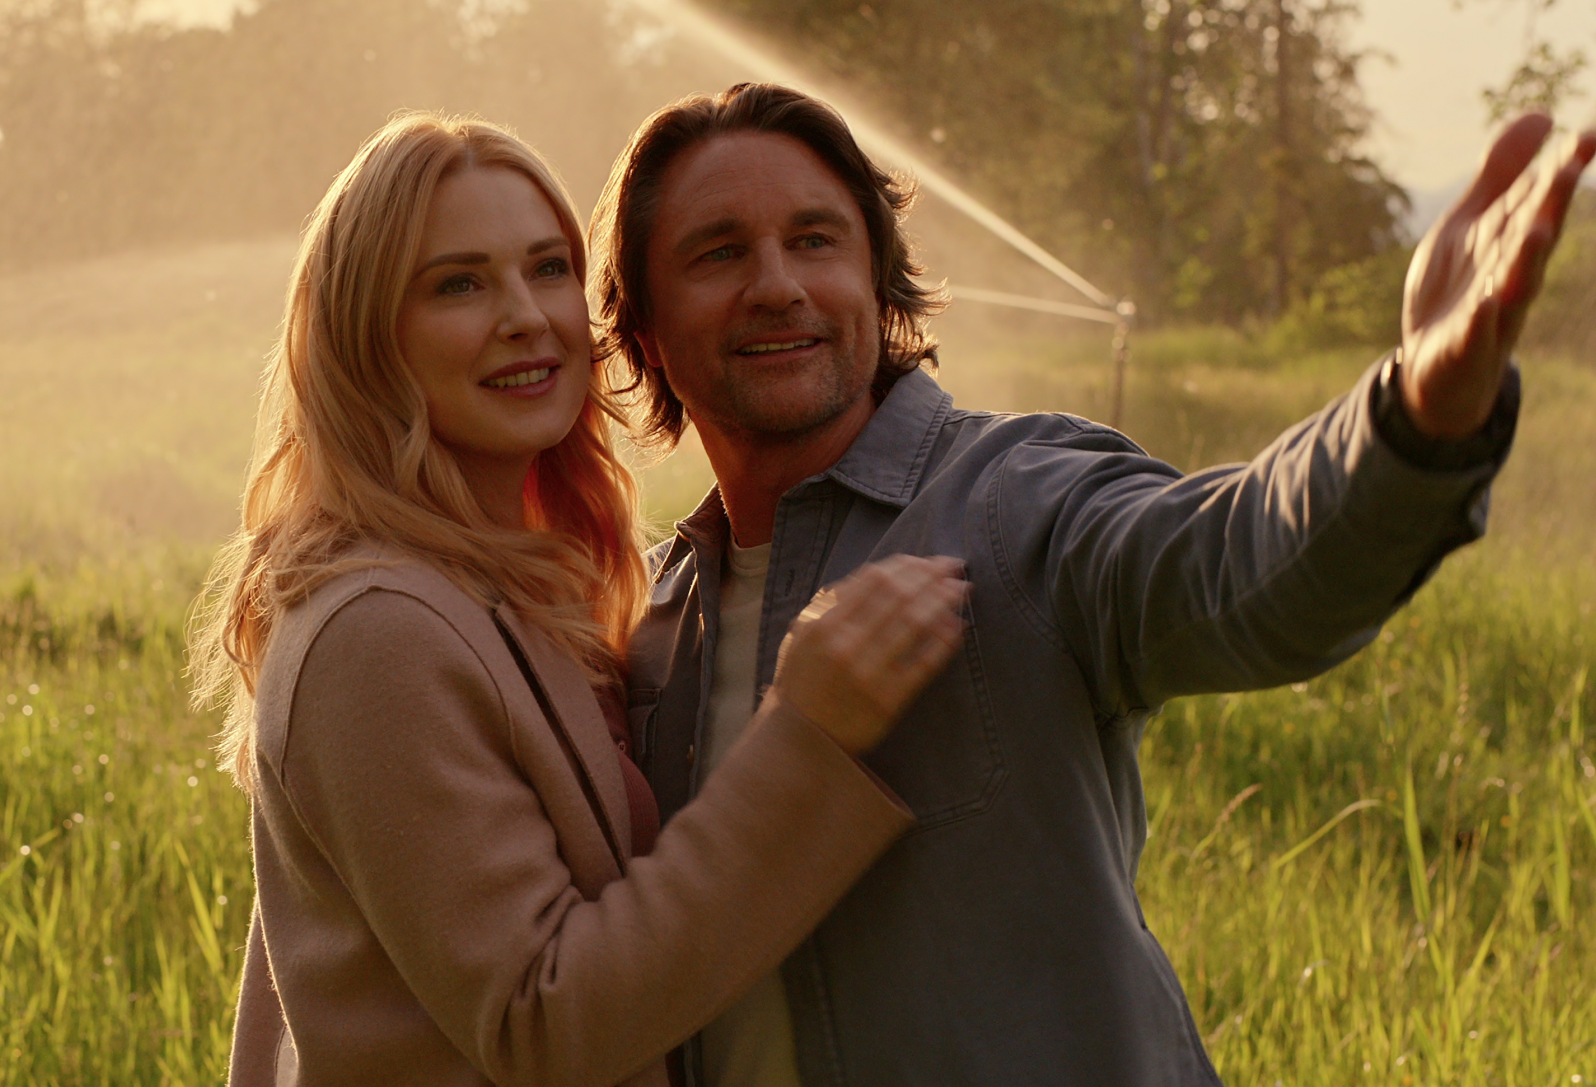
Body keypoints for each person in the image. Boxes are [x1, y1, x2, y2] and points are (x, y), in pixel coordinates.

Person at [592, 82, 1594, 1086]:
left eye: (815, 240)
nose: (778, 284)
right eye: (718, 252)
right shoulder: (651, 626)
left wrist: (1416, 409)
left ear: (875, 278)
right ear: (641, 323)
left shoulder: (1015, 499)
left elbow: (1241, 562)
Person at [190, 112, 973, 1087]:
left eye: (548, 267)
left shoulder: (507, 591)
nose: (526, 314)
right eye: (459, 284)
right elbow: (541, 1026)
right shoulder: (375, 632)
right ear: (364, 339)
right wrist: (807, 736)